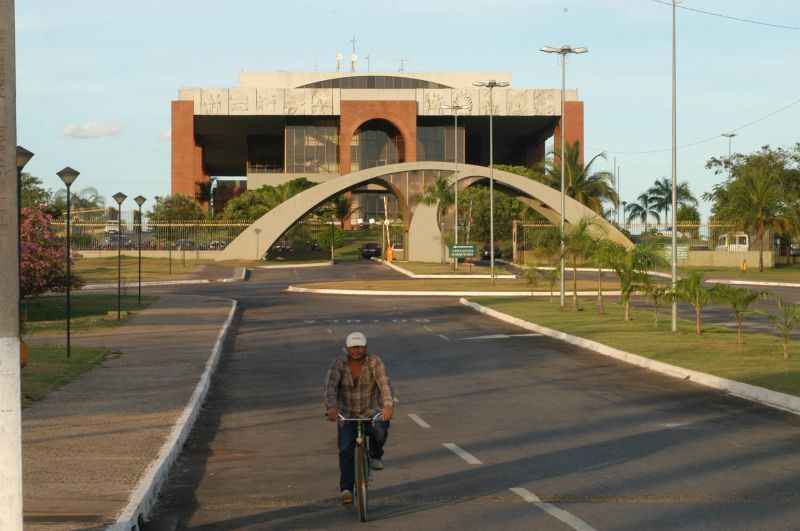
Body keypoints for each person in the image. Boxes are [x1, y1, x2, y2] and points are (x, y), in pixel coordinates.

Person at [324, 331, 394, 505]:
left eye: (360, 347)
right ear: (347, 348)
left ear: (366, 347)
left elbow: (384, 383)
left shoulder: (374, 362)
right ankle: (346, 489)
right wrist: (331, 408)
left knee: (381, 428)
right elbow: (330, 387)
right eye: (353, 347)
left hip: (371, 412)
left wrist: (388, 405)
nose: (357, 350)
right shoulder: (338, 364)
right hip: (347, 415)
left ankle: (375, 455)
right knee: (345, 450)